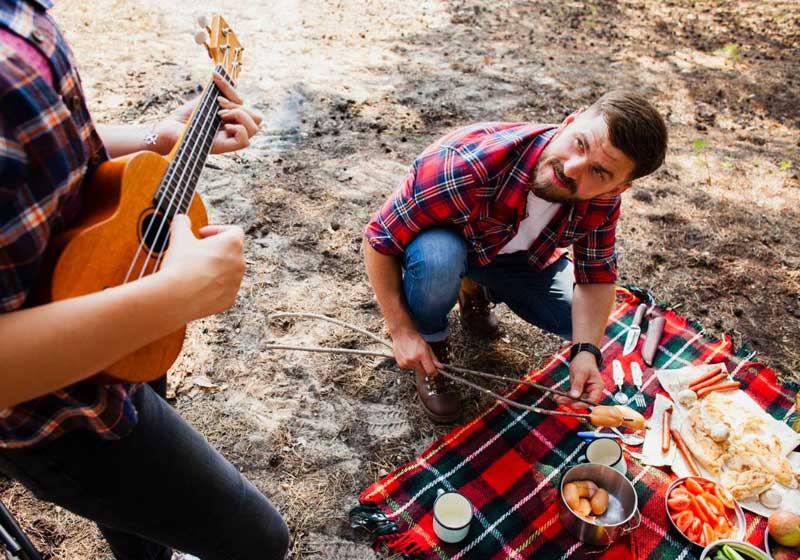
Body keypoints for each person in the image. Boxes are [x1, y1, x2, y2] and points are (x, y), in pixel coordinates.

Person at [0, 1, 289, 559]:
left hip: (111, 302)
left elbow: (43, 149)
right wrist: (174, 296)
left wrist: (158, 138)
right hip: (57, 417)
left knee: (142, 519)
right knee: (258, 540)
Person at [363, 90, 668, 423]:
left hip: (514, 257)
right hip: (450, 245)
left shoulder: (603, 199)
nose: (571, 169)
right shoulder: (464, 165)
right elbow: (379, 240)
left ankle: (472, 287)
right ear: (570, 121)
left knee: (579, 319)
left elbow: (596, 276)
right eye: (579, 144)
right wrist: (402, 331)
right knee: (438, 259)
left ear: (616, 188)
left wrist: (586, 352)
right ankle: (431, 341)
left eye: (598, 171)